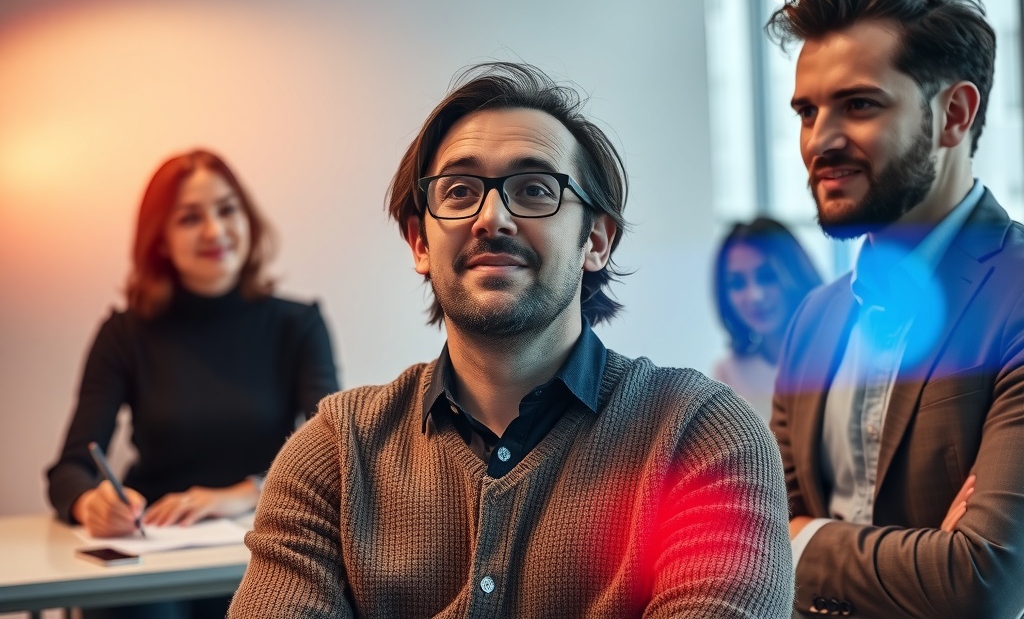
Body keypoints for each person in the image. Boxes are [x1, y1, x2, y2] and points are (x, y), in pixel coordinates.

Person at [228, 62, 793, 618]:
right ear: (419, 242)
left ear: (595, 239)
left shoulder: (702, 437)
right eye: (457, 192)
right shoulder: (336, 452)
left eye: (534, 189)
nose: (492, 218)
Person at [765, 0, 1024, 617]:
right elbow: (751, 537)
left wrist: (799, 541)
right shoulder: (815, 319)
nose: (819, 140)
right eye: (807, 110)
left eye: (859, 105)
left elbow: (988, 581)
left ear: (954, 115)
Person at [47, 149, 341, 619]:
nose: (214, 231)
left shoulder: (298, 325)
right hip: (152, 553)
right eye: (189, 218)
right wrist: (89, 504)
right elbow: (69, 469)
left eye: (227, 209)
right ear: (160, 239)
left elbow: (336, 457)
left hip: (262, 539)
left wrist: (243, 493)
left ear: (247, 219)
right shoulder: (124, 333)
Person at [711, 217, 822, 420]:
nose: (755, 296)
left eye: (767, 277)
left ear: (795, 274)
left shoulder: (839, 356)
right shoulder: (727, 374)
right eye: (737, 283)